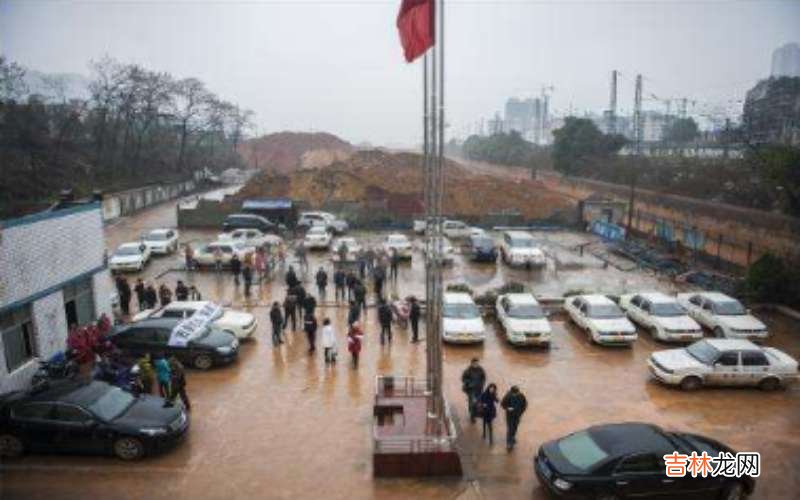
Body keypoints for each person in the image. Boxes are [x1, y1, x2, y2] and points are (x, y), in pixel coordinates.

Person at [501, 386, 528, 451]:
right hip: (510, 416)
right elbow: (502, 404)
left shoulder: (521, 396)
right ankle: (509, 443)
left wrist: (521, 412)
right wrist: (508, 408)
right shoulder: (508, 396)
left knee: (515, 427)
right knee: (510, 429)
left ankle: (512, 438)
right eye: (515, 393)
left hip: (517, 415)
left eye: (517, 393)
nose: (516, 394)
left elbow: (525, 404)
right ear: (512, 392)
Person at [461, 358, 486, 424]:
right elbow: (463, 379)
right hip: (471, 390)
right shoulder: (468, 371)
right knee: (472, 403)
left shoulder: (481, 369)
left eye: (477, 363)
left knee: (477, 402)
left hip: (479, 389)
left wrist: (482, 383)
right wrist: (469, 383)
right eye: (475, 363)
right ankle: (472, 416)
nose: (476, 365)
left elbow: (483, 377)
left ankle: (475, 413)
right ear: (472, 363)